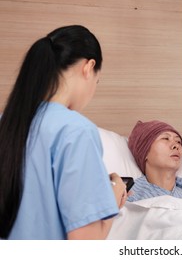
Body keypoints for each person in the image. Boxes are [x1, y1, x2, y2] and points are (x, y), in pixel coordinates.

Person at [0, 25, 128, 240]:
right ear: (88, 67)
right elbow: (84, 244)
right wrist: (112, 200)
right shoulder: (76, 131)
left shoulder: (6, 122)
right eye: (98, 81)